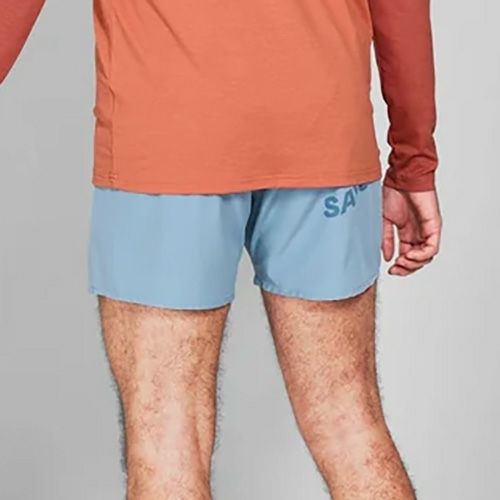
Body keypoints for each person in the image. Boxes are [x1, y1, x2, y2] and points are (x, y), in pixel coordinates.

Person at [1, 0, 442, 498]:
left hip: (169, 145)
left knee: (168, 437)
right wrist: (413, 160)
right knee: (349, 423)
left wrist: (414, 162)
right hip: (325, 135)